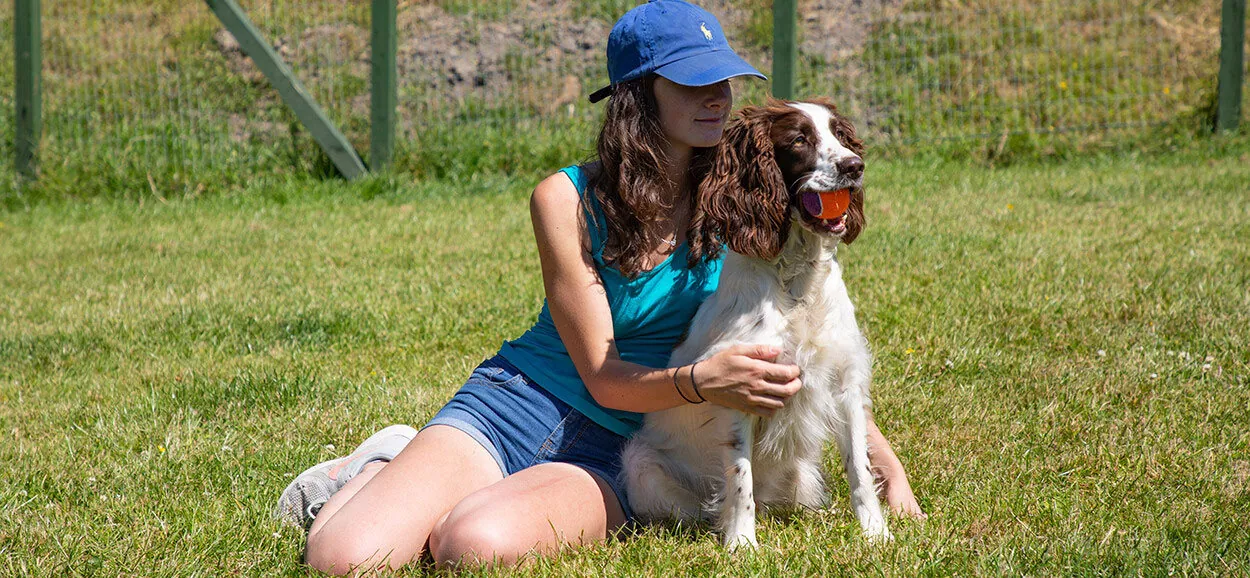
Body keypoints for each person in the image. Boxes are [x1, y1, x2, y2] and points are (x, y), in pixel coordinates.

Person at [275, 1, 923, 573]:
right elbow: (603, 374)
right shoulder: (566, 197)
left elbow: (814, 338)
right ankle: (386, 460)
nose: (717, 96)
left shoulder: (744, 195)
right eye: (692, 80)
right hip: (517, 402)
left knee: (470, 546)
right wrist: (706, 382)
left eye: (721, 78)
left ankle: (435, 491)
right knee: (344, 560)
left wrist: (886, 468)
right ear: (639, 94)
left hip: (627, 446)